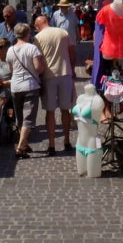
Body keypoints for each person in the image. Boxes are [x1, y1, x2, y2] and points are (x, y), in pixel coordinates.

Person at [34, 14, 77, 155]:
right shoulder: (63, 32)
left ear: (39, 24)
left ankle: (52, 144)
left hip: (48, 76)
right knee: (66, 110)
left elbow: (38, 60)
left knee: (50, 111)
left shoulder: (38, 38)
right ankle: (67, 141)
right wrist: (72, 68)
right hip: (65, 74)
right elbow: (72, 53)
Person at [6, 22, 45, 158]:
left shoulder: (10, 50)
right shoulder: (32, 48)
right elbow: (38, 68)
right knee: (28, 118)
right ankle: (21, 147)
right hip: (30, 85)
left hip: (15, 86)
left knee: (20, 118)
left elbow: (10, 69)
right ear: (28, 34)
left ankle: (24, 142)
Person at [72, 84, 105, 178]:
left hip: (92, 142)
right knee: (81, 172)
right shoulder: (80, 98)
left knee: (92, 175)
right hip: (80, 141)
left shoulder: (98, 100)